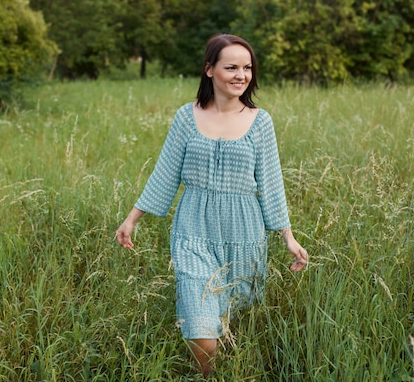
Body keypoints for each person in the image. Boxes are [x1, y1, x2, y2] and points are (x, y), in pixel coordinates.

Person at [116, 34, 308, 378]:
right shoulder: (186, 117)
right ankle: (207, 374)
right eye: (231, 67)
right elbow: (165, 174)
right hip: (193, 232)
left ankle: (224, 371)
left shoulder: (260, 121)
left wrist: (288, 238)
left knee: (233, 325)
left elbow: (271, 182)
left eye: (247, 67)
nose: (241, 75)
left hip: (244, 234)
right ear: (209, 70)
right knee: (204, 333)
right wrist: (132, 219)